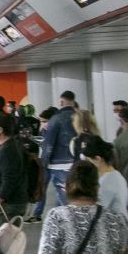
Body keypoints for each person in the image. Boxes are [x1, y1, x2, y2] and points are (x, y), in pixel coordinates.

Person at [35, 92, 79, 221]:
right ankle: (60, 222)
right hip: (75, 162)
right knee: (68, 195)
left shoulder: (56, 118)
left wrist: (43, 164)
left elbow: (49, 144)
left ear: (61, 102)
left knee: (64, 199)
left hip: (58, 164)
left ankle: (69, 225)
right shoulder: (79, 117)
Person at [0, 114, 29, 223]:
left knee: (6, 238)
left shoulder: (6, 151)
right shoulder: (13, 144)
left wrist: (0, 198)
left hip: (11, 203)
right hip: (18, 198)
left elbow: (9, 179)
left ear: (0, 130)